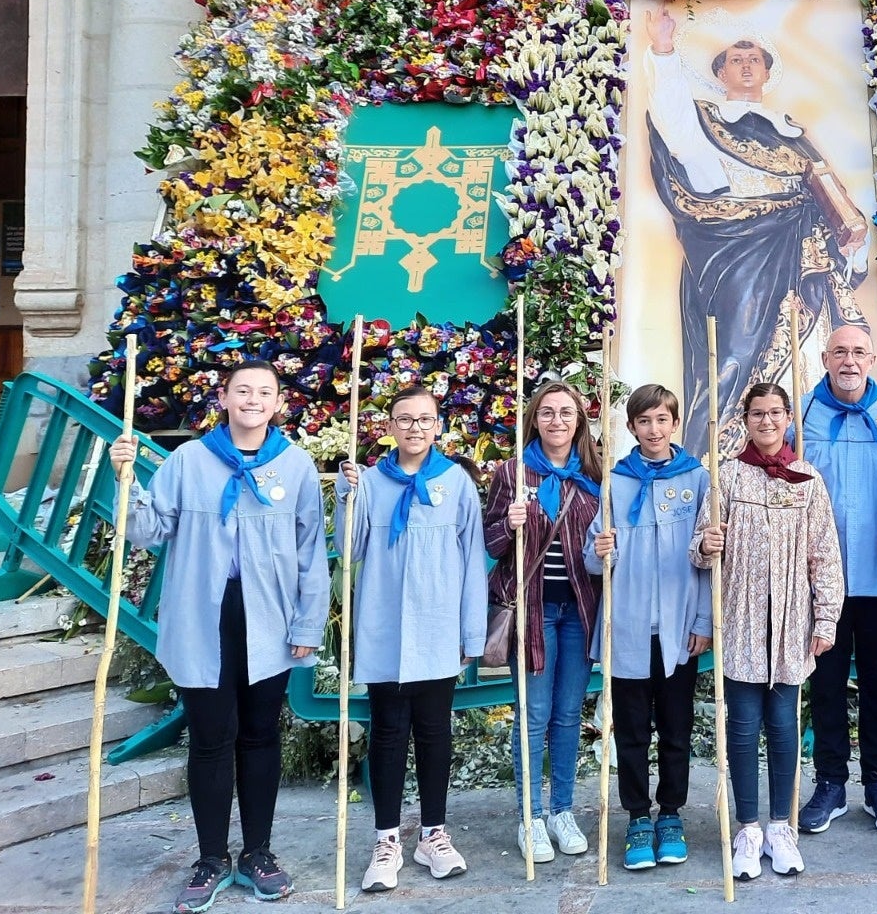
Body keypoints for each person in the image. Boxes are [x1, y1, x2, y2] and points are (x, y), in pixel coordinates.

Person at [108, 360, 328, 912]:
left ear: (278, 403)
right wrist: (124, 480)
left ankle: (258, 852)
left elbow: (311, 552)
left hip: (270, 617)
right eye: (242, 390)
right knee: (210, 736)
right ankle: (210, 857)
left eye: (265, 392)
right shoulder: (188, 461)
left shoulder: (295, 466)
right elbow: (148, 530)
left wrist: (307, 623)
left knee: (260, 734)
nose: (253, 400)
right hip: (201, 614)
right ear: (224, 399)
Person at [642, 6, 872, 457]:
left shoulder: (792, 134)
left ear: (767, 72)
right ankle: (721, 457)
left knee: (805, 348)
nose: (746, 66)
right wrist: (664, 49)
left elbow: (829, 202)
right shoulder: (707, 123)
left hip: (801, 254)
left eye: (754, 59)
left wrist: (853, 243)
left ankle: (799, 454)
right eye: (736, 59)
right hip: (736, 254)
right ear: (720, 71)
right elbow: (674, 126)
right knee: (732, 355)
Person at [337, 386, 488, 894]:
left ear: (438, 426)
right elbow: (350, 547)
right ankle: (386, 840)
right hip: (384, 625)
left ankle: (433, 834)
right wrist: (347, 497)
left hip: (438, 625)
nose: (415, 428)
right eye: (405, 419)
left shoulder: (456, 482)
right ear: (390, 427)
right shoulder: (370, 482)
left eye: (425, 419)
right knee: (387, 732)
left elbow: (472, 559)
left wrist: (471, 629)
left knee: (434, 732)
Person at [693, 382, 845, 880]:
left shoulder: (807, 480)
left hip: (791, 623)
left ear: (787, 418)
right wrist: (707, 544)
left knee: (782, 725)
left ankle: (781, 825)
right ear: (746, 420)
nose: (767, 422)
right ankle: (748, 828)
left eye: (775, 413)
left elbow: (824, 556)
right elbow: (698, 549)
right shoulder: (728, 477)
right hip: (741, 619)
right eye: (757, 413)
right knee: (741, 727)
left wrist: (826, 618)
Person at [585, 383, 713, 871]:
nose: (654, 429)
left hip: (679, 629)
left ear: (675, 424)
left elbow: (707, 558)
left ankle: (671, 813)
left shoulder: (697, 478)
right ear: (632, 427)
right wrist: (601, 552)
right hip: (629, 627)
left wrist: (703, 620)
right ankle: (638, 815)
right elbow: (594, 560)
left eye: (662, 419)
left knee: (677, 727)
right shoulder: (614, 482)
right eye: (644, 421)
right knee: (631, 729)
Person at [797, 324, 877, 835]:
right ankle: (829, 783)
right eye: (840, 351)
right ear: (825, 358)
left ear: (872, 360)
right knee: (825, 685)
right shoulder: (800, 413)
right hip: (819, 579)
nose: (849, 361)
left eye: (859, 353)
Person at [482, 382, 604, 865]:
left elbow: (602, 546)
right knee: (533, 715)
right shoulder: (513, 473)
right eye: (548, 412)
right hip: (532, 613)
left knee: (569, 715)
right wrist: (507, 524)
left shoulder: (594, 474)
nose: (557, 421)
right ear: (534, 419)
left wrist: (607, 548)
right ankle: (530, 816)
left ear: (579, 421)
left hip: (578, 611)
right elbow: (490, 543)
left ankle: (561, 811)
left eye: (566, 413)